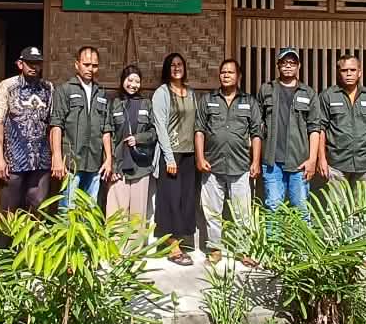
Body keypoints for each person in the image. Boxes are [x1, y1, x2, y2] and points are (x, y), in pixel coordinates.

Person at [195, 59, 262, 265]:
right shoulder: (208, 100)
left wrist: (255, 161)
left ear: (238, 76)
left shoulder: (249, 102)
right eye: (223, 72)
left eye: (230, 72)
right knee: (212, 211)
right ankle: (215, 249)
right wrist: (200, 157)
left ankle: (244, 250)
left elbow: (256, 133)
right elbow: (199, 130)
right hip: (212, 165)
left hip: (240, 165)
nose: (226, 75)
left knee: (243, 213)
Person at [0, 46, 53, 218]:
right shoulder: (7, 86)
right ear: (20, 64)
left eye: (37, 63)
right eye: (29, 63)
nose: (33, 67)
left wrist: (55, 156)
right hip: (15, 159)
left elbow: (53, 124)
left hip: (41, 159)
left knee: (39, 207)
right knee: (10, 210)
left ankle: (33, 237)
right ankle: (5, 237)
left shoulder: (48, 88)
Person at [257, 47, 320, 221]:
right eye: (284, 62)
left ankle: (302, 241)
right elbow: (257, 126)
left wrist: (312, 160)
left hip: (299, 162)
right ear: (278, 65)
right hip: (272, 162)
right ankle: (274, 240)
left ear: (299, 66)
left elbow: (315, 129)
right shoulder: (266, 90)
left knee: (301, 208)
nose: (288, 66)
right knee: (273, 207)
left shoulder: (308, 93)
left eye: (292, 63)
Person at [50, 46, 113, 211]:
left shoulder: (101, 93)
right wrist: (57, 157)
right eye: (86, 64)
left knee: (89, 211)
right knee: (67, 211)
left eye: (94, 66)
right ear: (76, 64)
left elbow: (106, 129)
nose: (90, 69)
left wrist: (108, 159)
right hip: (71, 163)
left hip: (94, 163)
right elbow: (56, 126)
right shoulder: (65, 90)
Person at [153, 53, 197, 266]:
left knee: (186, 199)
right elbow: (160, 126)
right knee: (170, 199)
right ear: (167, 69)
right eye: (172, 65)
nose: (176, 68)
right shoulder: (162, 93)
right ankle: (172, 248)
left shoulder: (191, 93)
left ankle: (180, 240)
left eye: (180, 64)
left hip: (189, 154)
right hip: (171, 154)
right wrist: (169, 157)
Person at [318, 54, 366, 190]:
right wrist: (321, 158)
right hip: (336, 163)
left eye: (352, 70)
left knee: (362, 203)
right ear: (338, 72)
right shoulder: (327, 96)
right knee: (337, 203)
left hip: (364, 163)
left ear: (359, 72)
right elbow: (321, 129)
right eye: (344, 70)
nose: (348, 74)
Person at [106, 65, 157, 221]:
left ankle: (136, 240)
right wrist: (111, 165)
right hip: (118, 168)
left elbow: (154, 132)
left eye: (137, 81)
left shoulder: (146, 104)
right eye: (130, 80)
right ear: (123, 80)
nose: (133, 85)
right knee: (116, 216)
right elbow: (108, 134)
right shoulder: (114, 103)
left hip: (140, 167)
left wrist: (138, 138)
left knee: (137, 217)